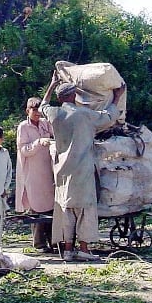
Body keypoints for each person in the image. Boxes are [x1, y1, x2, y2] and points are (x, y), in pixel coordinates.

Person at [40, 76, 125, 262]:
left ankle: (68, 249)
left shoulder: (54, 114)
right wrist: (117, 96)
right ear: (73, 96)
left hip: (62, 170)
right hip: (83, 168)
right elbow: (109, 117)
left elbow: (42, 105)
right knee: (85, 207)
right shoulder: (84, 114)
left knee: (66, 208)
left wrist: (52, 83)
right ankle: (84, 249)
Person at [15, 96, 55, 252]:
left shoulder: (45, 124)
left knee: (50, 206)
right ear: (28, 111)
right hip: (32, 172)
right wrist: (38, 142)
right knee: (36, 206)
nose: (37, 113)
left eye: (39, 110)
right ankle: (39, 243)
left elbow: (55, 135)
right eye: (34, 110)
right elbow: (23, 149)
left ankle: (54, 240)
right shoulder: (23, 127)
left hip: (48, 170)